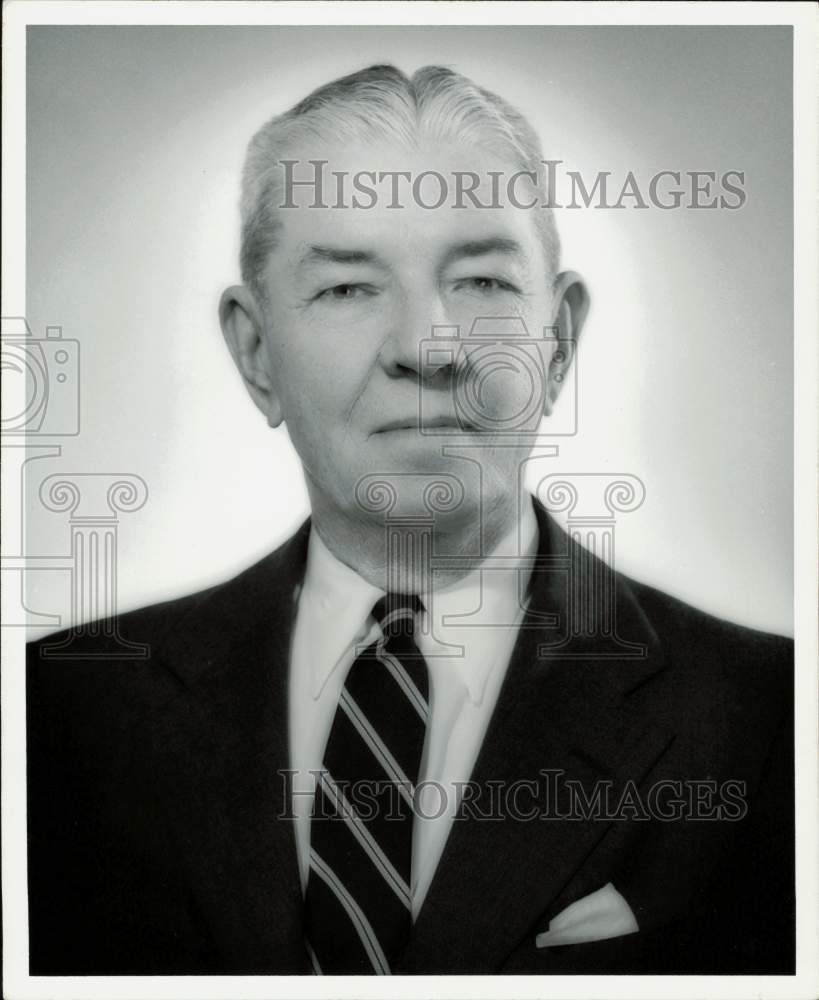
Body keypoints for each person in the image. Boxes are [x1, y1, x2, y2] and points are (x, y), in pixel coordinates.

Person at [26, 64, 793, 976]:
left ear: (557, 345)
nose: (426, 348)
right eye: (347, 288)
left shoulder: (775, 719)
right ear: (255, 352)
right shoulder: (56, 715)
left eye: (481, 282)